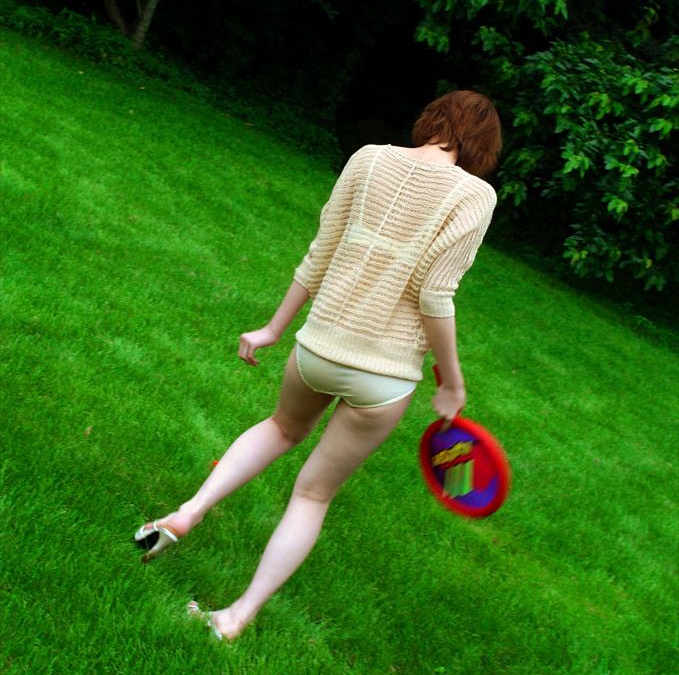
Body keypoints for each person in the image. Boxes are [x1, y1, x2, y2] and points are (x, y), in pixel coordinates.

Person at [133, 89, 502, 642]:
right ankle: (234, 617)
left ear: (432, 120)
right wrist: (450, 380)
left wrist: (272, 329)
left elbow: (321, 251)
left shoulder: (369, 158)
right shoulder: (475, 195)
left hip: (318, 349)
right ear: (482, 144)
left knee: (281, 428)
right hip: (384, 377)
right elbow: (435, 294)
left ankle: (190, 510)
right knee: (312, 494)